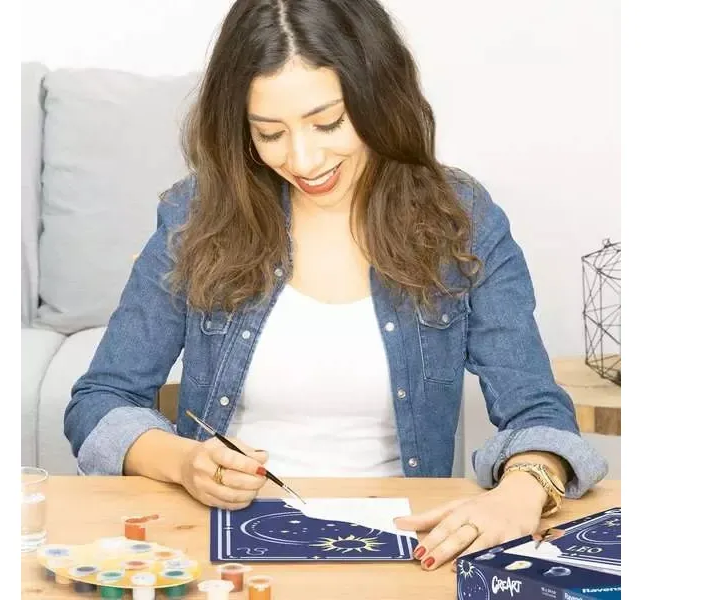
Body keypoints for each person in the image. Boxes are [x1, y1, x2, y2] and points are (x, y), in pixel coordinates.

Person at [63, 0, 608, 572]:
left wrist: (521, 492)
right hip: (224, 550)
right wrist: (182, 461)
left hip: (404, 551)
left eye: (327, 124)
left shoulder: (461, 219)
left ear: (379, 98)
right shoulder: (197, 215)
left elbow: (537, 410)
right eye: (269, 133)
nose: (303, 160)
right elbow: (101, 400)